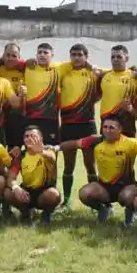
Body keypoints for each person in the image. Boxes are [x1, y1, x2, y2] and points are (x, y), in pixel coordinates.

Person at [59, 115, 137, 225]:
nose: (107, 130)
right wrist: (55, 148)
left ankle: (129, 219)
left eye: (112, 128)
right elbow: (74, 144)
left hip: (125, 186)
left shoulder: (130, 143)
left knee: (129, 196)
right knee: (84, 193)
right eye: (105, 127)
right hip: (104, 188)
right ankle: (103, 209)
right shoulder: (96, 141)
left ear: (120, 129)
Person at [57, 43, 102, 210]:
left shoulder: (93, 73)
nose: (76, 58)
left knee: (90, 165)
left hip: (87, 125)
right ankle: (67, 201)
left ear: (86, 57)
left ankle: (95, 200)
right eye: (73, 55)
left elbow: (106, 77)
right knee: (69, 165)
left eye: (80, 55)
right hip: (68, 125)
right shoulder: (64, 72)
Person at [4, 125, 62, 225]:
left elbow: (52, 158)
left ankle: (46, 214)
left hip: (44, 192)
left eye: (33, 136)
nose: (29, 138)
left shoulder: (48, 151)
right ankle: (25, 213)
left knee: (53, 194)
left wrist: (40, 151)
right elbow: (11, 178)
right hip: (27, 192)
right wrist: (16, 188)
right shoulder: (21, 156)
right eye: (26, 136)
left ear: (41, 138)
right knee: (7, 192)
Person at [98, 44, 137, 139]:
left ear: (126, 58)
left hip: (126, 123)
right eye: (113, 57)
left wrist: (132, 110)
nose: (115, 59)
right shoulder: (104, 75)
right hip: (107, 123)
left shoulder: (136, 76)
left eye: (119, 57)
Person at [21, 42, 61, 145]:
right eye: (39, 52)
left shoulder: (59, 68)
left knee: (51, 149)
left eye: (45, 53)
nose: (42, 55)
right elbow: (9, 61)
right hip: (31, 117)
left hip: (51, 118)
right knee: (31, 147)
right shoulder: (28, 67)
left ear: (52, 55)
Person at [0, 43, 26, 153]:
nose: (10, 58)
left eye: (14, 55)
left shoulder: (25, 71)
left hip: (16, 116)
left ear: (19, 57)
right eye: (8, 55)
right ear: (3, 55)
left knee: (13, 150)